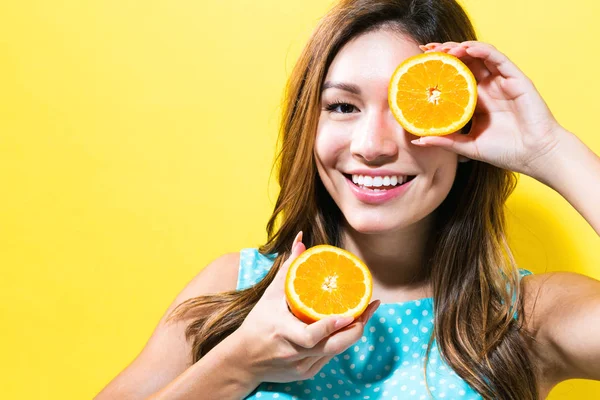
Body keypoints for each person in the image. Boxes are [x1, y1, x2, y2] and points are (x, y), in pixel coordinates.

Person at [96, 0, 600, 399]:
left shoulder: (527, 317)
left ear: (463, 126)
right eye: (342, 106)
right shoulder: (236, 288)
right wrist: (237, 365)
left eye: (410, 109)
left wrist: (550, 150)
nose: (372, 145)